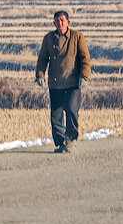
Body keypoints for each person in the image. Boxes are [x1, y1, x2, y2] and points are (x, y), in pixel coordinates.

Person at [35, 10, 91, 153]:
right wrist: (40, 75)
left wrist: (84, 76)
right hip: (55, 83)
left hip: (73, 83)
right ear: (54, 23)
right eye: (57, 21)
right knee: (56, 114)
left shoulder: (77, 37)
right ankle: (60, 142)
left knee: (72, 110)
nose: (59, 23)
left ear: (68, 22)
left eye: (62, 20)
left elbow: (85, 58)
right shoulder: (48, 39)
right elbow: (42, 59)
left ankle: (71, 139)